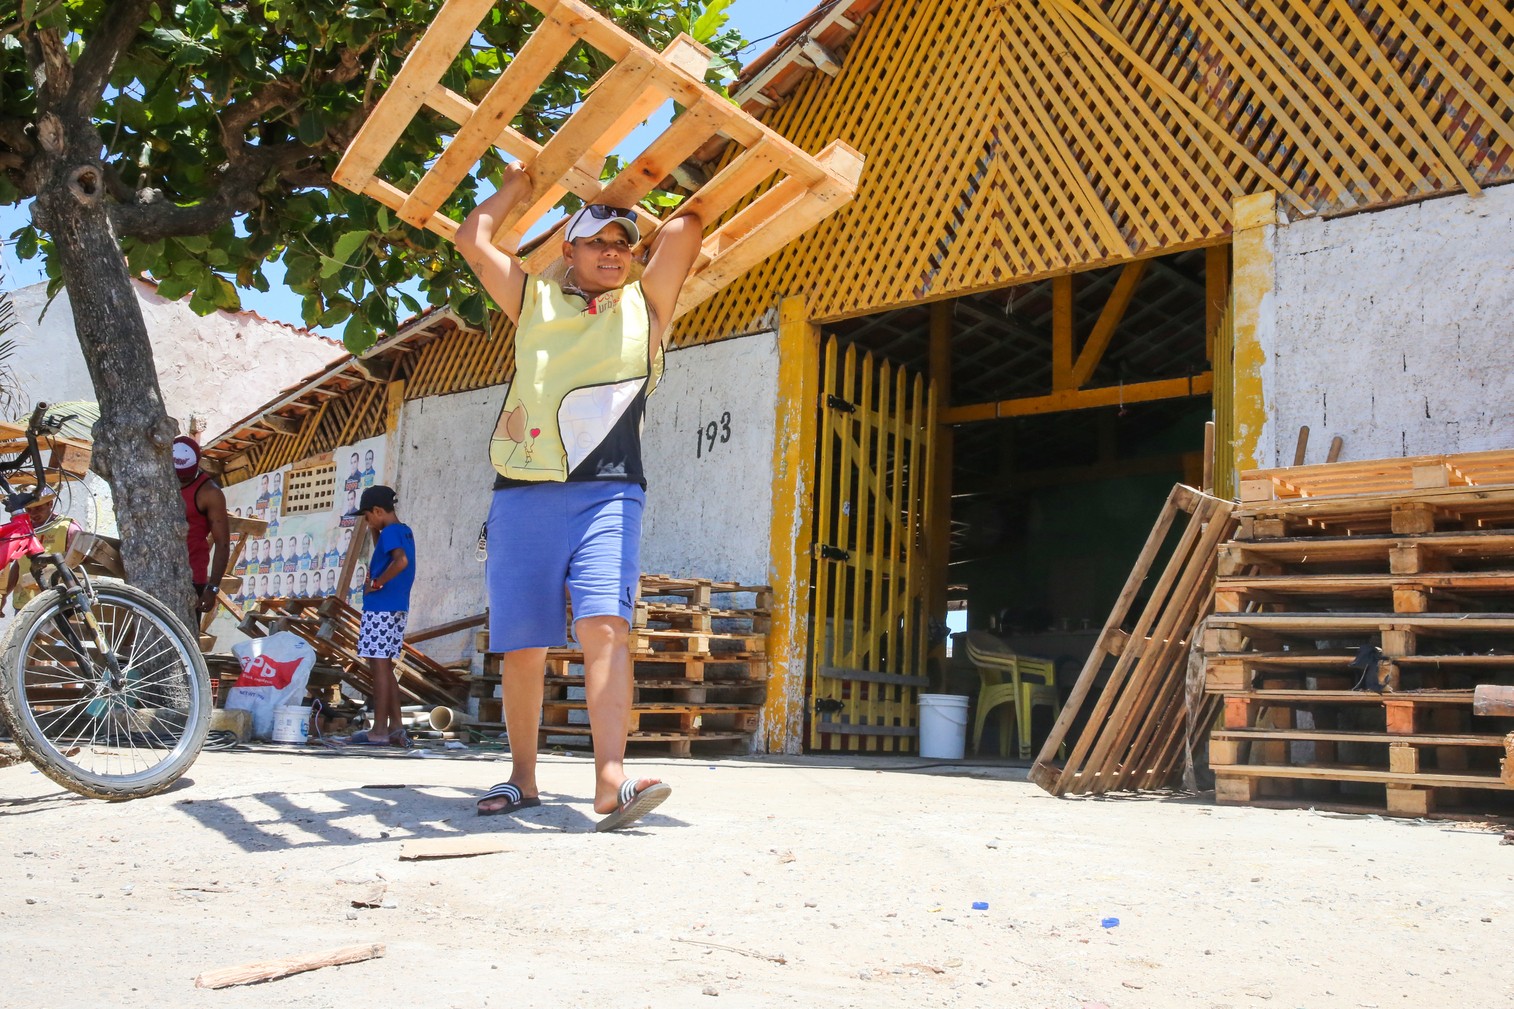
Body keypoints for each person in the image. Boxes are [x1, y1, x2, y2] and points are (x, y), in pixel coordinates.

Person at [456, 164, 702, 830]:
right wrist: (519, 186)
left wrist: (617, 192)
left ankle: (610, 782)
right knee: (523, 643)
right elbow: (473, 238)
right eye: (597, 240)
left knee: (606, 626)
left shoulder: (645, 309)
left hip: (609, 495)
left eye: (623, 241)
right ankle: (523, 779)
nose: (612, 251)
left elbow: (684, 228)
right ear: (568, 251)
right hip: (523, 496)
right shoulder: (533, 301)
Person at [345, 485, 415, 747]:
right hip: (395, 606)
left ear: (377, 511)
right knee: (384, 666)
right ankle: (395, 727)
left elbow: (400, 562)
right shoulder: (401, 531)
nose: (367, 522)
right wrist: (375, 527)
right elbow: (385, 553)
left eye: (367, 517)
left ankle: (379, 729)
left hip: (381, 606)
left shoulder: (391, 533)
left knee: (379, 666)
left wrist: (377, 583)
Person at [173, 436, 230, 617]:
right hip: (158, 572)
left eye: (186, 475)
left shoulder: (210, 493)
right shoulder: (160, 479)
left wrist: (212, 587)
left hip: (191, 577)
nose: (180, 479)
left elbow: (222, 543)